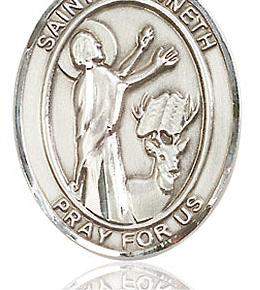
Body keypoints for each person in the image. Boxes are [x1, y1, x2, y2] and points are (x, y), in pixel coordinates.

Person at [69, 25, 179, 223]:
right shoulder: (97, 76)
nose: (99, 44)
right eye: (95, 43)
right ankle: (111, 220)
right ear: (86, 50)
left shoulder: (89, 78)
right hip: (100, 144)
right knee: (104, 188)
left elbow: (119, 76)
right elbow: (124, 80)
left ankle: (103, 221)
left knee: (101, 187)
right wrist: (156, 65)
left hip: (98, 143)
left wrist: (140, 49)